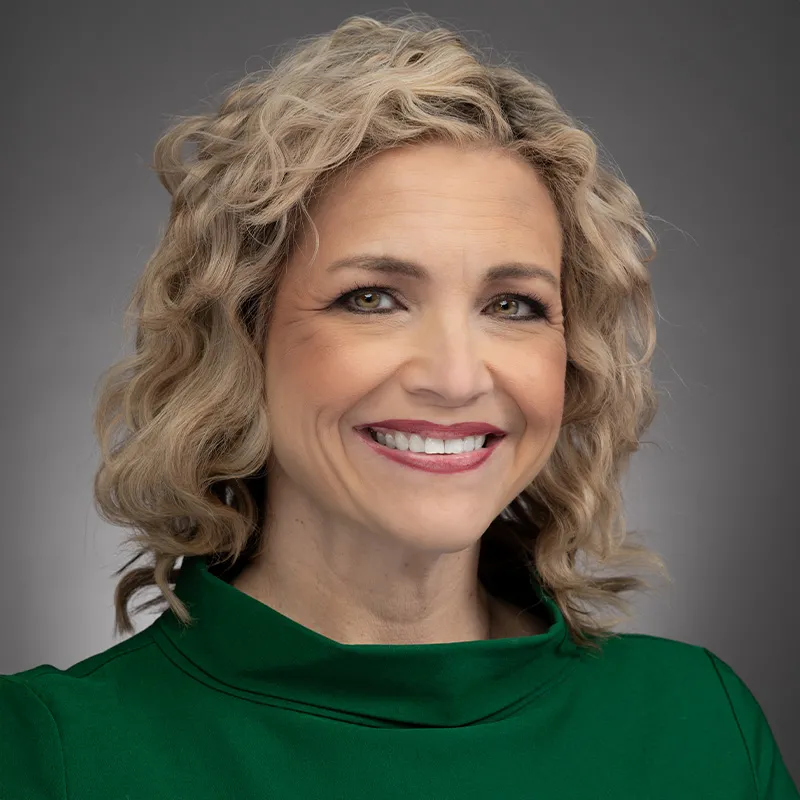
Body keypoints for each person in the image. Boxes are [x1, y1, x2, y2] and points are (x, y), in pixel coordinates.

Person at [1, 12, 796, 800]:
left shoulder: (700, 727)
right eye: (373, 297)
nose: (455, 377)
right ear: (244, 339)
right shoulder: (51, 752)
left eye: (513, 305)